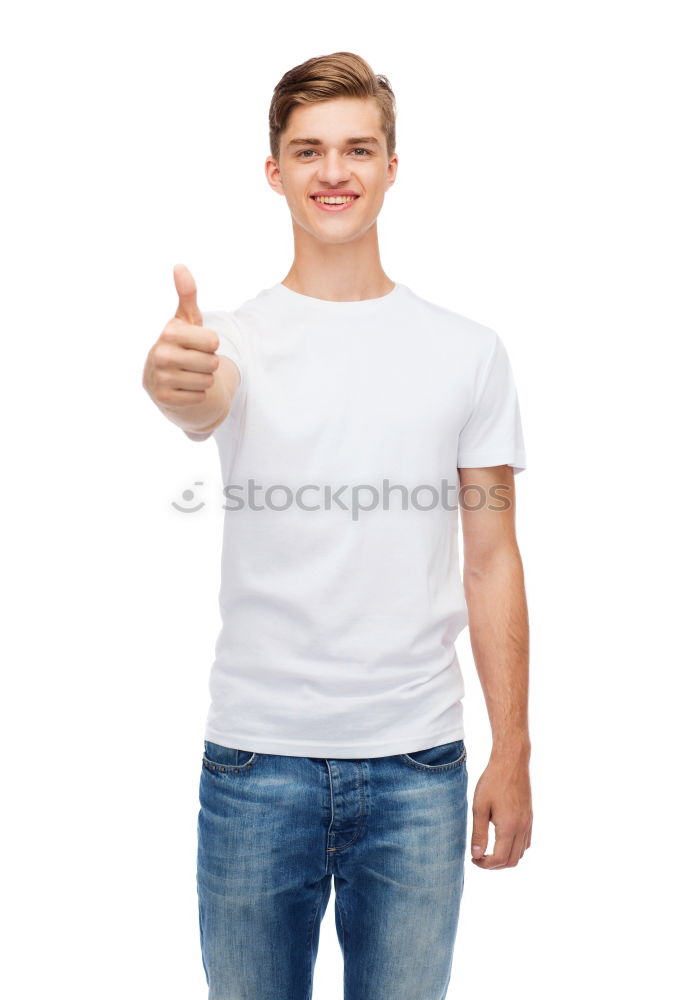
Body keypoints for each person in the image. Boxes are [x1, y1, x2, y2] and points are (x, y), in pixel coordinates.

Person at [143, 50, 532, 1000]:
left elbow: (491, 558)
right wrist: (174, 382)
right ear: (274, 171)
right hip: (254, 765)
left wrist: (512, 750)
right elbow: (200, 398)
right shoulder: (230, 342)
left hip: (417, 769)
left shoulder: (468, 353)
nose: (334, 172)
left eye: (358, 148)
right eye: (308, 151)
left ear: (392, 167)